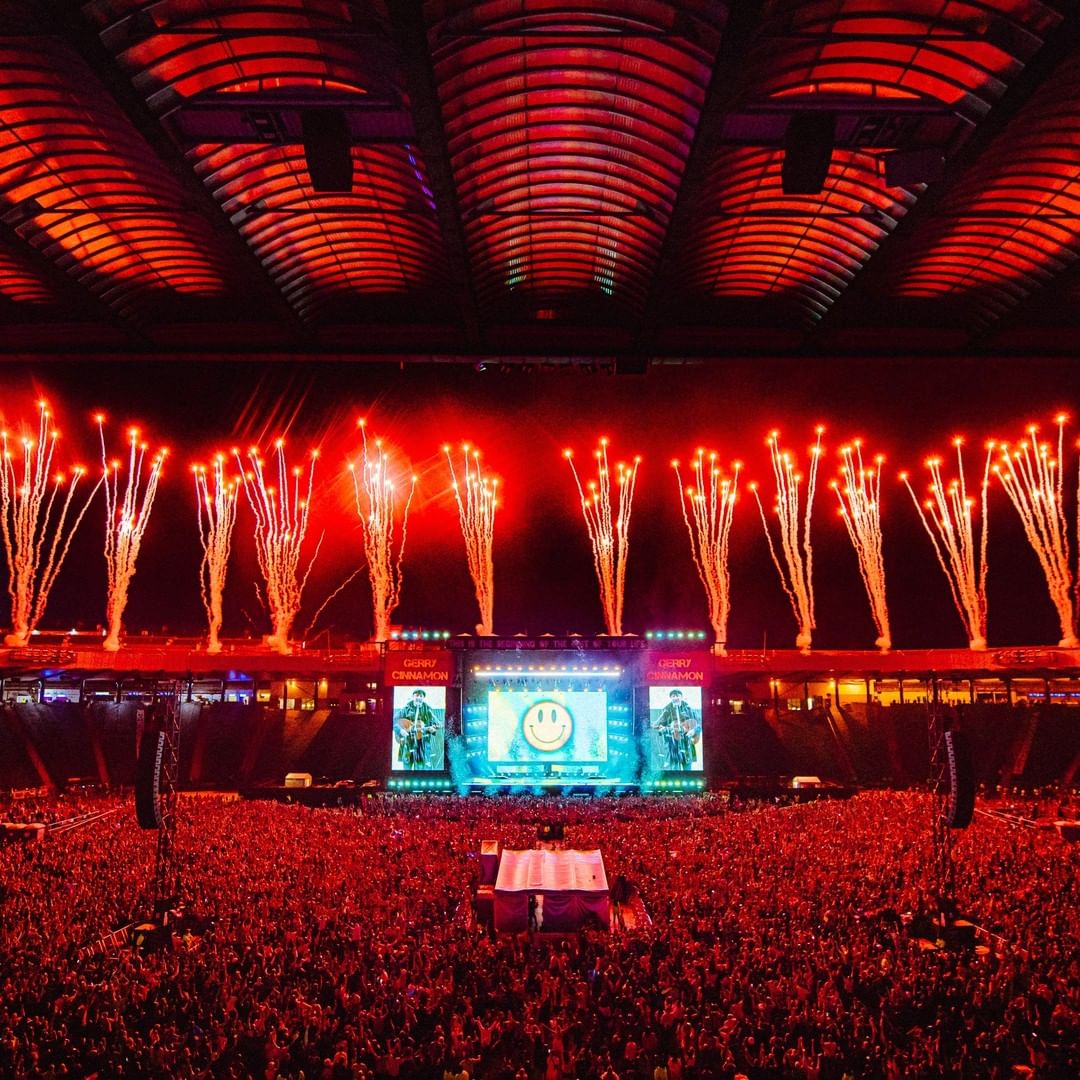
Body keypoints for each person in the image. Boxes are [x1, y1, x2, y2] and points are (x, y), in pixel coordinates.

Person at [655, 690, 700, 770]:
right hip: (672, 745)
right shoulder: (666, 710)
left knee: (688, 769)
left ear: (681, 697)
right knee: (674, 769)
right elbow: (657, 725)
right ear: (670, 698)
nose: (675, 698)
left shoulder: (689, 709)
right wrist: (663, 729)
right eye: (673, 696)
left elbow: (699, 724)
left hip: (687, 743)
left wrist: (693, 731)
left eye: (677, 696)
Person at [395, 689, 440, 769]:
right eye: (417, 695)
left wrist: (433, 728)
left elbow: (436, 724)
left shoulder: (428, 710)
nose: (419, 698)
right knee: (407, 768)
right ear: (413, 697)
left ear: (423, 698)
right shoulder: (406, 709)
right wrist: (400, 730)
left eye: (421, 696)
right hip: (408, 743)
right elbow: (394, 721)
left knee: (420, 769)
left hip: (422, 745)